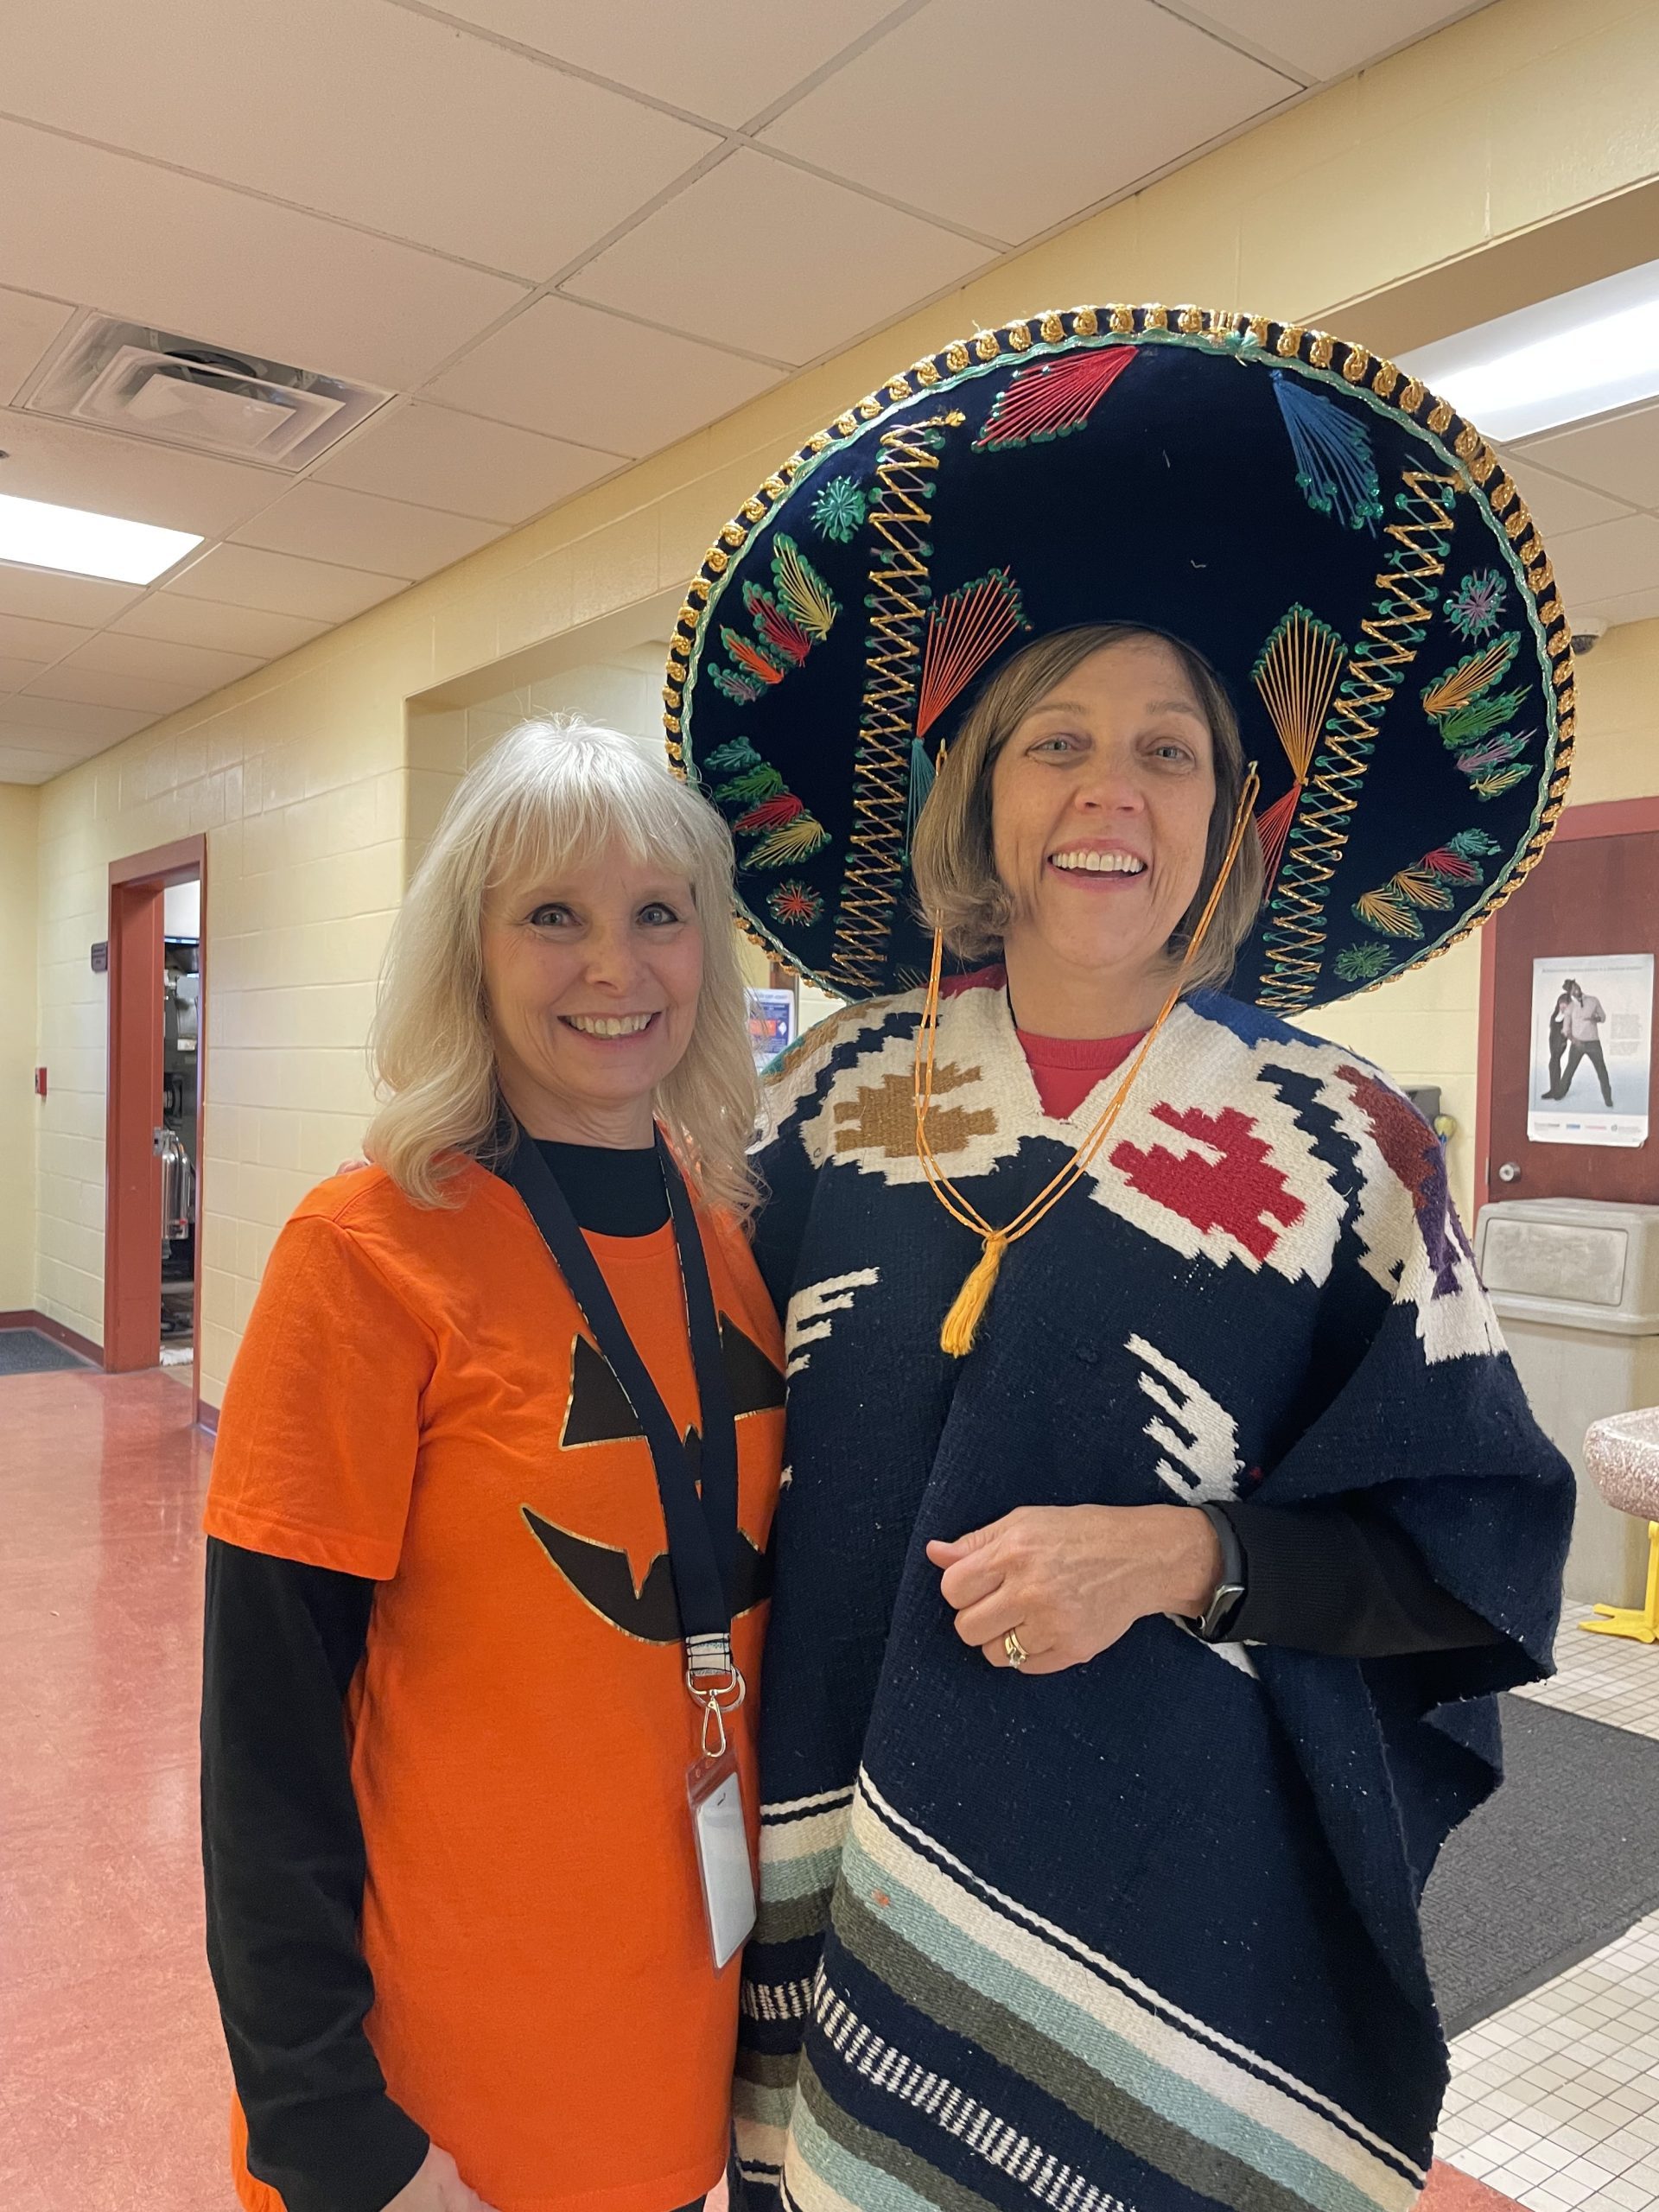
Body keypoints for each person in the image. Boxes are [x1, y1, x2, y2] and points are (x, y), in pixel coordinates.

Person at [666, 307, 1577, 2212]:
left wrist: (1182, 1555)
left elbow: (1465, 1553)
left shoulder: (1351, 1145)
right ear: (981, 794)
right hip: (821, 1852)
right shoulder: (823, 1100)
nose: (1112, 791)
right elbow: (682, 1450)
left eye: (1171, 750)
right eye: (1057, 741)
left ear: (1234, 816)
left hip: (1174, 1910)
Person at [200, 720, 785, 2212]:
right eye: (553, 916)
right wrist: (330, 2129)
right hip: (442, 2096)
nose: (616, 965)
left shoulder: (725, 1236)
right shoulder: (366, 1252)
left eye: (659, 913)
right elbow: (264, 1737)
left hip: (679, 2048)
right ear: (469, 948)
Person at [1557, 977, 1615, 1106]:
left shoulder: (1593, 1001)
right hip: (1577, 1044)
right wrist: (1574, 1040)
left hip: (1593, 1043)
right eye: (1572, 989)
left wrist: (1597, 1018)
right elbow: (1565, 1030)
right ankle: (1560, 1093)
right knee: (1570, 1069)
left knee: (1602, 1071)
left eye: (1576, 985)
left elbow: (1603, 1017)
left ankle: (1608, 1099)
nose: (1576, 989)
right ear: (1570, 993)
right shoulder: (1570, 1008)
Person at [1544, 986, 1570, 1097]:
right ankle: (1554, 1089)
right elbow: (1552, 1028)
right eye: (1561, 1003)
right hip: (1553, 1042)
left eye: (1565, 1004)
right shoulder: (1555, 1014)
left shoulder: (1568, 1017)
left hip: (1561, 1043)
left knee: (1554, 1063)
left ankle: (1555, 1090)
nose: (1563, 1006)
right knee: (1554, 1063)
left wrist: (1564, 1041)